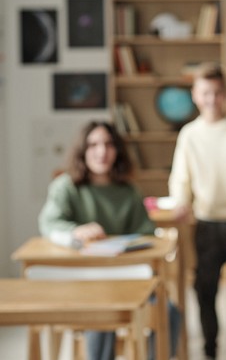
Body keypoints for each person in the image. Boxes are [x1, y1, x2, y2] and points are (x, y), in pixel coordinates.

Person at [38, 120, 181, 360]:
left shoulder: (129, 191)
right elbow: (49, 224)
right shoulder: (66, 187)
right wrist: (75, 231)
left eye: (108, 144)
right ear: (83, 150)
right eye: (93, 144)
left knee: (170, 313)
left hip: (127, 281)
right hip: (83, 284)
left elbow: (146, 233)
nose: (101, 151)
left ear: (117, 150)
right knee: (102, 310)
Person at [169, 62, 226, 359]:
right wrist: (181, 201)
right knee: (204, 290)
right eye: (206, 93)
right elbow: (180, 177)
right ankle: (210, 351)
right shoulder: (189, 134)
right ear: (196, 95)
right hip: (205, 224)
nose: (212, 99)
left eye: (218, 93)